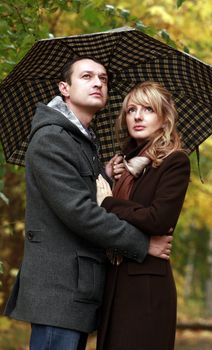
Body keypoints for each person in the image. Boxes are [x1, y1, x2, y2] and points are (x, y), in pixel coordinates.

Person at [3, 58, 172, 350]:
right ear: (64, 88)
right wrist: (142, 244)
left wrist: (104, 175)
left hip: (77, 290)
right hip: (59, 292)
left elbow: (78, 190)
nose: (98, 83)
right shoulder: (52, 139)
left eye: (103, 78)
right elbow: (79, 212)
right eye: (87, 76)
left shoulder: (81, 141)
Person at [96, 81, 191, 350]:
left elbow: (158, 219)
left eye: (148, 109)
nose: (137, 116)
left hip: (146, 289)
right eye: (131, 110)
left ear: (164, 118)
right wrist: (107, 177)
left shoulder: (174, 162)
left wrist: (109, 202)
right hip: (113, 285)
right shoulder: (123, 166)